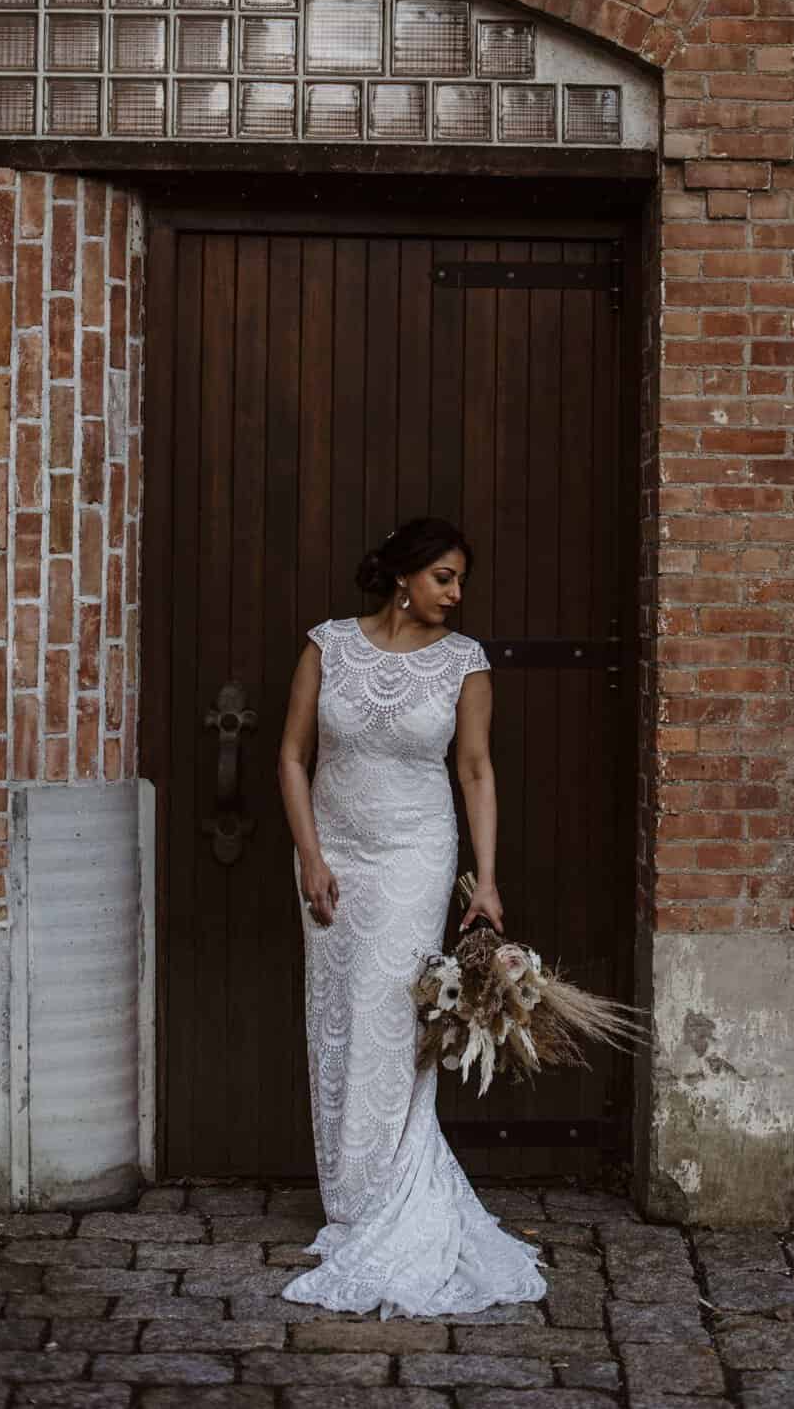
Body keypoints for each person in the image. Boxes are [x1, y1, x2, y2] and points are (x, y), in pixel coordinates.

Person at [275, 516, 549, 1319]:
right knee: (334, 1013)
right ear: (405, 578)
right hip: (333, 854)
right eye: (445, 578)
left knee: (391, 1016)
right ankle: (348, 1200)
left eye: (460, 580)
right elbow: (292, 756)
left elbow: (474, 769)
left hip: (415, 853)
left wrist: (486, 881)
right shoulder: (327, 645)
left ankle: (386, 1195)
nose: (457, 594)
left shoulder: (464, 663)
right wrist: (312, 858)